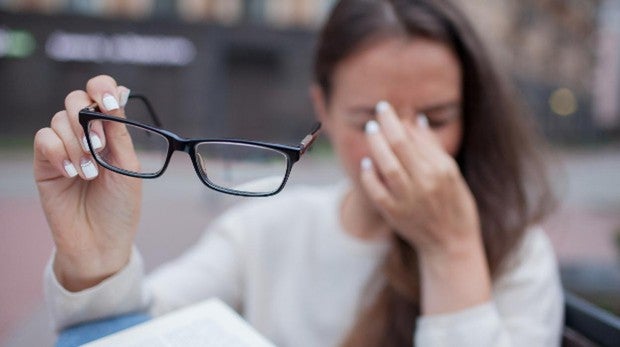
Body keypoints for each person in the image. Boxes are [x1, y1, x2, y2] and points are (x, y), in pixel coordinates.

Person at [34, 0, 564, 346]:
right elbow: (141, 331)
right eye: (370, 119)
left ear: (471, 115)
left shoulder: (513, 251)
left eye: (436, 118)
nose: (406, 145)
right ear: (324, 112)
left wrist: (452, 250)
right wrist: (97, 260)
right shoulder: (266, 224)